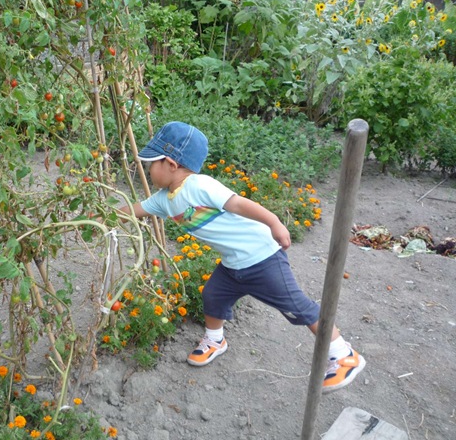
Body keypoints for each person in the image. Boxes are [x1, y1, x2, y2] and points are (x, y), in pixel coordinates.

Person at [120, 121, 365, 393]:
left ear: (171, 164)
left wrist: (274, 222)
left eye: (151, 163)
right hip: (233, 264)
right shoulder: (164, 199)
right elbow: (135, 209)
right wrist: (102, 214)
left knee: (296, 305)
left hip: (262, 258)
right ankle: (215, 340)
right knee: (213, 295)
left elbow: (238, 203)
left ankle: (344, 355)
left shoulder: (200, 185)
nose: (147, 169)